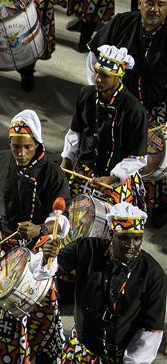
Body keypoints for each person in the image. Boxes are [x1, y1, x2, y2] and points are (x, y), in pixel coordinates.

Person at [0, 110, 70, 364]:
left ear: (37, 144)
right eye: (15, 147)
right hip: (7, 244)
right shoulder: (2, 161)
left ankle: (45, 361)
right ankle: (6, 362)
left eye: (26, 147)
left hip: (38, 252)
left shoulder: (52, 173)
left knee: (41, 309)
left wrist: (40, 230)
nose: (20, 153)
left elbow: (62, 220)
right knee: (3, 308)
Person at [37, 202, 165, 364]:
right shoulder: (86, 248)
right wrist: (47, 258)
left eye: (137, 239)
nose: (131, 245)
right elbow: (47, 271)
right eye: (124, 238)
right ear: (112, 234)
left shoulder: (153, 275)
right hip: (81, 352)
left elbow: (151, 330)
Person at [88, 0, 167, 227]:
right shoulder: (123, 23)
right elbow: (94, 57)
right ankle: (115, 198)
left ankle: (156, 205)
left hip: (158, 107)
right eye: (149, 3)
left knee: (153, 155)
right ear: (139, 3)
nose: (154, 9)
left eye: (161, 4)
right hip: (120, 103)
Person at [61, 45, 149, 205]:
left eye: (104, 75)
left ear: (118, 77)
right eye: (96, 72)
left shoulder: (135, 111)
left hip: (115, 178)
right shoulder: (86, 94)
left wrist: (112, 177)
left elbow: (138, 158)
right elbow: (75, 131)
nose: (97, 79)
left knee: (113, 223)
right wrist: (67, 158)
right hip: (84, 171)